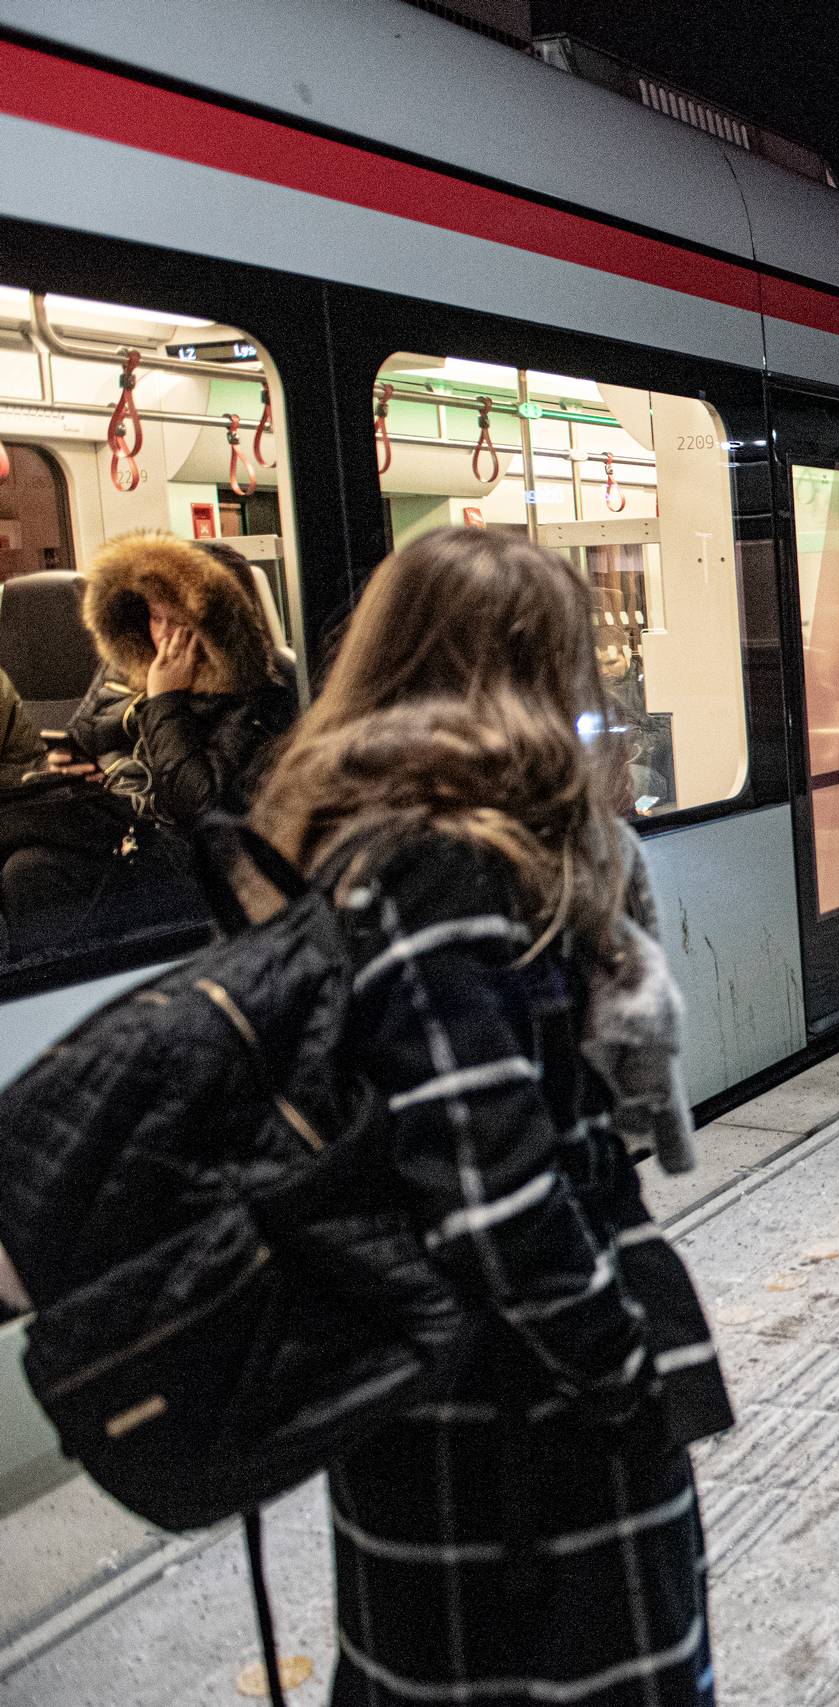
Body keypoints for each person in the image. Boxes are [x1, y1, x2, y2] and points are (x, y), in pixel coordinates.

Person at [250, 527, 730, 1707]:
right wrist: (620, 1372)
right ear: (522, 677)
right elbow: (490, 1182)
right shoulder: (446, 865)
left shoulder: (349, 844)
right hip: (512, 1430)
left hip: (442, 1407)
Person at [0, 533, 296, 961]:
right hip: (114, 819)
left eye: (183, 624)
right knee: (19, 850)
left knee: (29, 875)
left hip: (187, 853)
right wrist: (73, 763)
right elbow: (81, 738)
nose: (166, 639)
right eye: (157, 619)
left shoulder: (260, 698)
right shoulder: (128, 664)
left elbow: (198, 805)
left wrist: (163, 702)